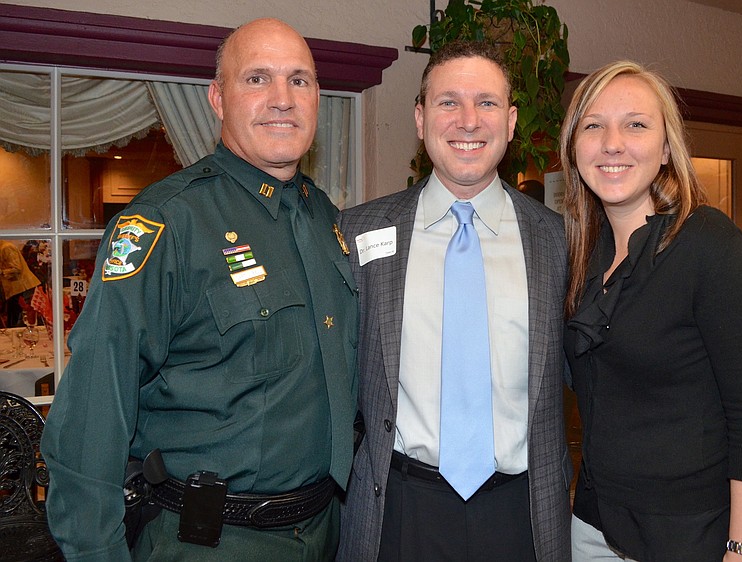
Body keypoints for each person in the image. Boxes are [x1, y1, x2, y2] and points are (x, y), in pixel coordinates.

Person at [41, 18, 358, 561]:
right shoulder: (166, 224)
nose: (282, 99)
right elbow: (92, 417)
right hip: (211, 541)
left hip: (327, 531)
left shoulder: (326, 218)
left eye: (299, 81)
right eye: (257, 79)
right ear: (217, 97)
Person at [335, 40, 571, 561]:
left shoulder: (559, 241)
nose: (468, 120)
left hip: (522, 511)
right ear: (421, 119)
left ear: (510, 121)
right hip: (399, 509)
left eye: (486, 103)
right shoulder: (359, 233)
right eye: (448, 102)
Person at [559, 60, 742, 561]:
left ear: (666, 149)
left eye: (635, 124)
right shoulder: (580, 258)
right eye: (593, 125)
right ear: (575, 148)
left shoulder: (711, 247)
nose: (612, 142)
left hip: (688, 536)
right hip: (593, 525)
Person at [0, 239, 41, 327]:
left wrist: (2, 272)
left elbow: (16, 268)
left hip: (21, 287)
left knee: (21, 320)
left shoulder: (6, 248)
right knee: (15, 319)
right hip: (16, 289)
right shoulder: (3, 247)